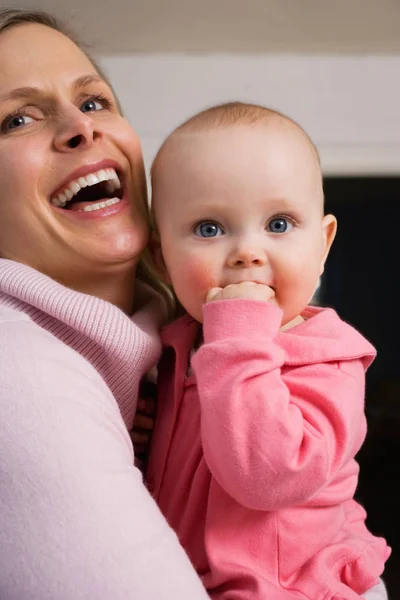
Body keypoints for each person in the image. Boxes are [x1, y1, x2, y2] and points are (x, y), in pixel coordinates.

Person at [0, 8, 210, 599]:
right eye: (17, 119)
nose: (79, 127)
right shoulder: (15, 370)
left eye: (93, 103)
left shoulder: (183, 353)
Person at [145, 102, 391, 599]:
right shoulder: (175, 346)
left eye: (278, 224)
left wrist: (238, 338)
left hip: (295, 586)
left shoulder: (330, 360)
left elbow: (269, 478)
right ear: (162, 258)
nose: (247, 253)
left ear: (322, 247)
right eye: (209, 229)